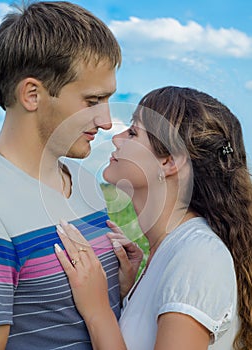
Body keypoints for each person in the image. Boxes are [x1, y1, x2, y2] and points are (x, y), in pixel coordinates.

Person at [54, 86, 252, 350]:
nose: (116, 138)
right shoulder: (173, 251)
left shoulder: (197, 256)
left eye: (133, 132)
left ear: (168, 161)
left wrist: (98, 308)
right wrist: (123, 294)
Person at [0, 1, 124, 349]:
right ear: (32, 95)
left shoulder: (86, 181)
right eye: (93, 101)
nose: (106, 121)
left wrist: (122, 283)